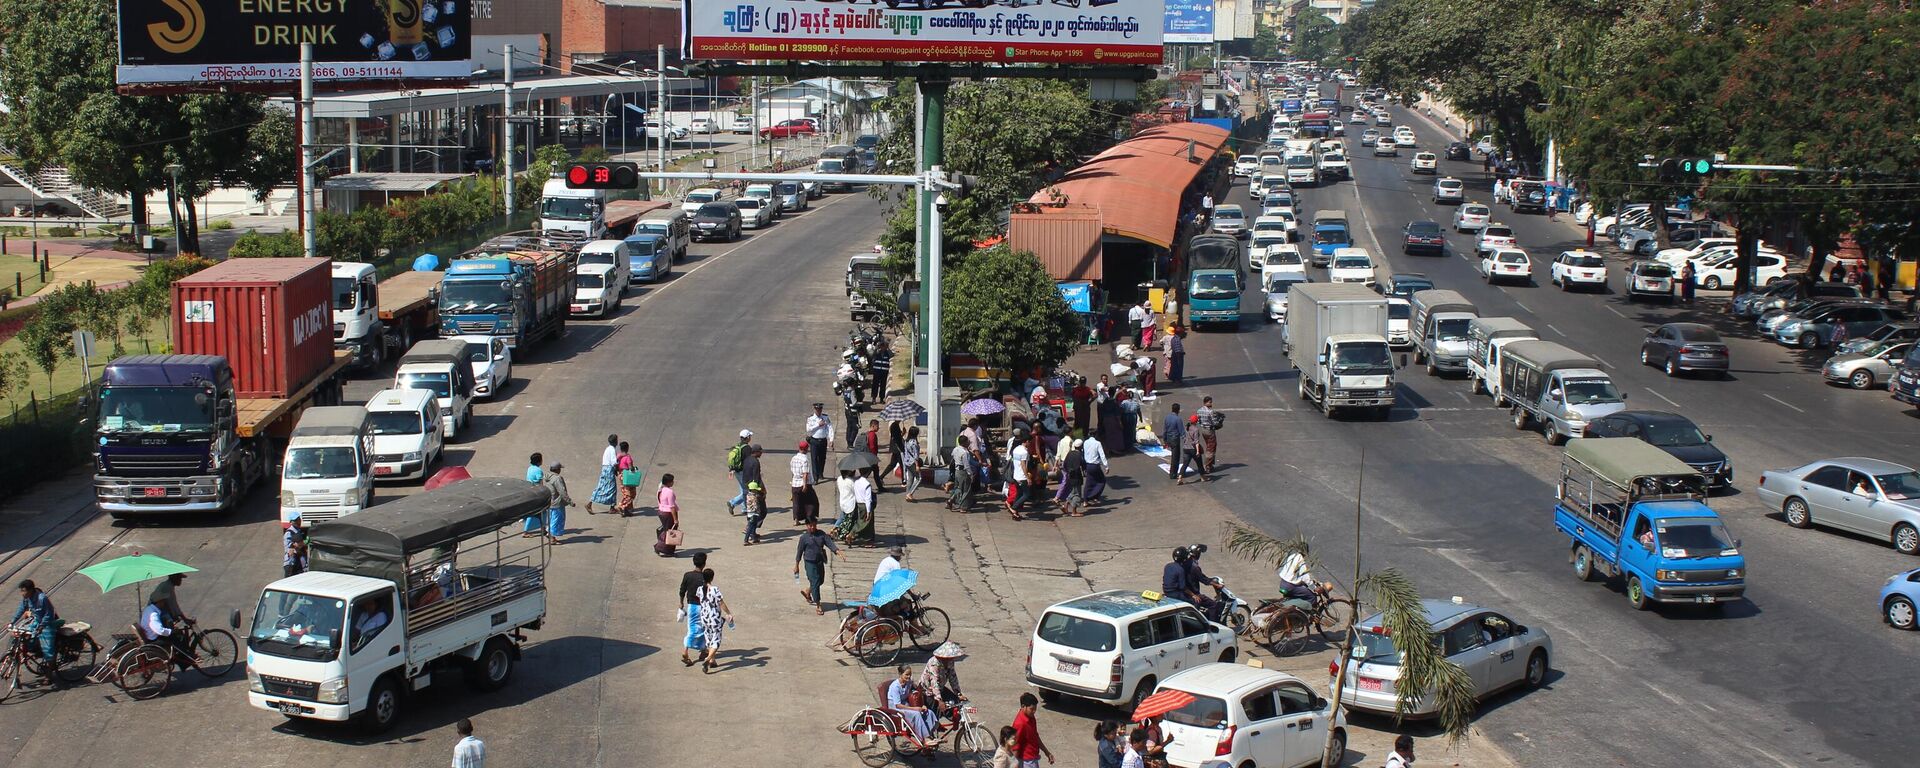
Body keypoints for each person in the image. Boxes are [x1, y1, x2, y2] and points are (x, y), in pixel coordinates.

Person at [12, 580, 60, 678]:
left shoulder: (42, 598)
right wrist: (12, 621)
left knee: (47, 650)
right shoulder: (26, 598)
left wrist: (42, 626)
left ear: (31, 590)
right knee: (20, 634)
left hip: (47, 624)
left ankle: (49, 675)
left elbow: (49, 614)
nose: (22, 593)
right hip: (36, 622)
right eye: (21, 591)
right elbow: (21, 609)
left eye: (24, 591)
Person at [794, 520, 844, 614]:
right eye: (810, 525)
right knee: (815, 581)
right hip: (810, 563)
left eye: (814, 525)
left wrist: (837, 551)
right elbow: (799, 551)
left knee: (820, 581)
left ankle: (808, 591)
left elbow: (829, 543)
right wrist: (796, 565)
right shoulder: (804, 538)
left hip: (819, 561)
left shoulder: (821, 534)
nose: (812, 527)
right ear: (807, 525)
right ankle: (818, 604)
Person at [889, 664, 937, 749]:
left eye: (910, 674)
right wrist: (915, 708)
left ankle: (930, 734)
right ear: (900, 674)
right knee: (917, 714)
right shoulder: (895, 686)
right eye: (906, 674)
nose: (908, 676)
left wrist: (922, 705)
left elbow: (917, 690)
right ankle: (925, 738)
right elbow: (898, 705)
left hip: (905, 705)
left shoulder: (909, 682)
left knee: (928, 712)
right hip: (896, 708)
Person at [140, 594, 194, 670]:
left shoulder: (148, 609)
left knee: (176, 635)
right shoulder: (153, 614)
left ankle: (184, 658)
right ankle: (184, 661)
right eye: (163, 601)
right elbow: (159, 630)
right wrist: (172, 631)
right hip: (153, 639)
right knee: (178, 638)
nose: (164, 603)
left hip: (150, 635)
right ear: (159, 602)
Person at [694, 569, 732, 672]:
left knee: (709, 639)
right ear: (712, 577)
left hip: (704, 618)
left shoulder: (699, 589)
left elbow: (699, 601)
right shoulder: (715, 589)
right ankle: (708, 659)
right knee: (716, 640)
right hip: (714, 618)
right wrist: (728, 613)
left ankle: (712, 661)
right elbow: (721, 603)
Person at [919, 641, 967, 714]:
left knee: (955, 703)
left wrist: (958, 694)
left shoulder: (950, 662)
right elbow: (934, 683)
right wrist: (939, 700)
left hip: (940, 688)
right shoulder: (934, 663)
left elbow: (953, 677)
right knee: (936, 711)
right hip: (928, 691)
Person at [677, 552, 709, 659]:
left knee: (692, 628)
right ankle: (702, 650)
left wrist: (681, 602)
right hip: (703, 607)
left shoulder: (687, 575)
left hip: (692, 606)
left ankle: (688, 650)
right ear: (704, 564)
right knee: (704, 629)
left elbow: (682, 590)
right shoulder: (705, 577)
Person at [1011, 692, 1055, 767]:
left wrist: (1047, 752)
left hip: (1032, 758)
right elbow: (1015, 746)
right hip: (1026, 762)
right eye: (1031, 709)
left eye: (1035, 709)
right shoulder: (1020, 724)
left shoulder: (1030, 717)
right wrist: (1014, 764)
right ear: (1023, 706)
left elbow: (1035, 736)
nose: (1034, 711)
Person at [586, 433, 618, 515]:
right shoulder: (612, 450)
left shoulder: (607, 449)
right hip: (609, 470)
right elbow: (614, 462)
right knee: (612, 488)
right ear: (615, 441)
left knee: (601, 486)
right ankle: (612, 507)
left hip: (604, 469)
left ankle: (591, 503)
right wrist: (617, 469)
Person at [540, 462, 572, 543]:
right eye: (560, 468)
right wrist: (570, 502)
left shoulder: (547, 477)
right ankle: (552, 538)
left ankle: (549, 533)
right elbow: (562, 492)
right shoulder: (557, 478)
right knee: (556, 520)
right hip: (557, 503)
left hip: (549, 501)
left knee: (551, 519)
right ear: (557, 469)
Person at [790, 440, 820, 524]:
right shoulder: (805, 459)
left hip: (795, 483)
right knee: (812, 501)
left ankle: (796, 519)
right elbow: (805, 473)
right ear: (806, 449)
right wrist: (804, 485)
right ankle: (810, 517)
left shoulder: (793, 458)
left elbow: (792, 472)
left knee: (796, 502)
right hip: (803, 483)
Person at [726, 429, 754, 515]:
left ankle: (744, 509)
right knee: (746, 491)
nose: (751, 438)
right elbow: (749, 461)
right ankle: (732, 503)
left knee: (742, 489)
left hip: (736, 471)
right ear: (747, 437)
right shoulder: (747, 448)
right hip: (743, 472)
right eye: (750, 436)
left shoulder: (738, 446)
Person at [1006, 433, 1032, 520]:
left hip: (1016, 475)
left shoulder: (1016, 449)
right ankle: (1014, 508)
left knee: (1019, 493)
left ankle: (1015, 512)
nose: (1030, 443)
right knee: (1026, 494)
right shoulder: (1024, 452)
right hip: (1022, 476)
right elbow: (1023, 465)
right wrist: (1027, 477)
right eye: (1030, 442)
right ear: (1027, 441)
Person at [1161, 403, 1189, 484]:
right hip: (1175, 439)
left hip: (1169, 438)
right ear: (1178, 410)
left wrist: (1165, 440)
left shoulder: (1167, 417)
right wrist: (1185, 440)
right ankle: (1173, 473)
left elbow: (1165, 429)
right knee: (1175, 457)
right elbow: (1182, 431)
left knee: (1173, 456)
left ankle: (1172, 472)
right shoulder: (1178, 419)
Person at [806, 403, 834, 482]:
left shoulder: (825, 417)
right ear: (814, 409)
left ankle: (820, 472)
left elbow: (830, 428)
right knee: (814, 459)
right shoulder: (810, 418)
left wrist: (831, 440)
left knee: (822, 458)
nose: (819, 411)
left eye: (820, 409)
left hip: (823, 440)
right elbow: (808, 429)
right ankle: (815, 478)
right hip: (814, 440)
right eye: (817, 409)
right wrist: (818, 425)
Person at [655, 474, 681, 557]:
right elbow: (672, 507)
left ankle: (662, 548)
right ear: (669, 482)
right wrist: (676, 519)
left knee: (666, 530)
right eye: (672, 481)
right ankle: (664, 549)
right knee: (671, 532)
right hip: (667, 513)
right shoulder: (670, 492)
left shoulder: (661, 490)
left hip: (661, 512)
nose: (673, 482)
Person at [949, 435, 976, 511]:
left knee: (958, 488)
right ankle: (963, 507)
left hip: (957, 470)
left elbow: (952, 456)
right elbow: (966, 465)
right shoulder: (965, 452)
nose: (968, 443)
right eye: (967, 441)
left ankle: (951, 499)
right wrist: (970, 474)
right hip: (963, 471)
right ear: (964, 443)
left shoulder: (955, 449)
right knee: (966, 490)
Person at [1081, 435, 1109, 507]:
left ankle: (1085, 500)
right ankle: (1093, 496)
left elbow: (1084, 453)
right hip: (1095, 465)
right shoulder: (1097, 443)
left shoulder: (1085, 442)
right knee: (1101, 481)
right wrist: (1106, 466)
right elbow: (1102, 455)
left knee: (1088, 483)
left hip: (1087, 465)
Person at [1194, 396, 1220, 472]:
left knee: (1208, 445)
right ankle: (1207, 465)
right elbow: (1214, 422)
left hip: (1203, 430)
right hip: (1210, 430)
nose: (1211, 403)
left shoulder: (1199, 410)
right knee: (1211, 448)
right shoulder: (1210, 411)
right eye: (1210, 402)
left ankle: (1210, 465)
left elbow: (1198, 421)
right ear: (1206, 402)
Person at [522, 452, 545, 535]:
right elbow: (541, 482)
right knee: (537, 512)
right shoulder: (539, 471)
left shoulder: (530, 468)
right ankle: (525, 531)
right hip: (537, 493)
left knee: (540, 512)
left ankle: (543, 528)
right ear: (539, 461)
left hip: (530, 491)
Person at [879, 420, 905, 489]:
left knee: (893, 464)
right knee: (902, 465)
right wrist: (903, 434)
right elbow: (897, 438)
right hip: (897, 448)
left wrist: (902, 433)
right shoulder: (895, 426)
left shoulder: (895, 425)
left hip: (895, 448)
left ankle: (881, 477)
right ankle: (903, 481)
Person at [901, 426, 924, 501]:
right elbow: (915, 455)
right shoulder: (914, 443)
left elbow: (908, 452)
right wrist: (917, 465)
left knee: (910, 479)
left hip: (907, 462)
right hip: (913, 463)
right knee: (919, 478)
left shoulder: (907, 441)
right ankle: (910, 493)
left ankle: (907, 494)